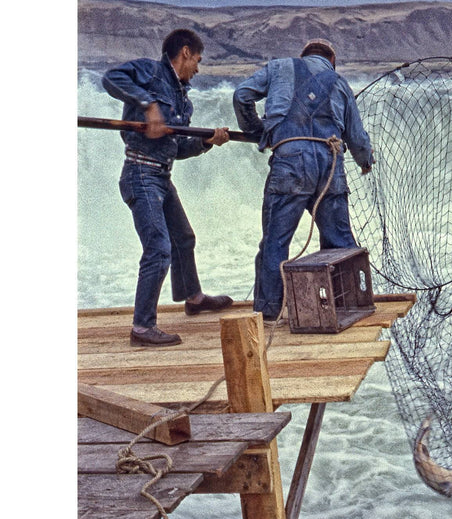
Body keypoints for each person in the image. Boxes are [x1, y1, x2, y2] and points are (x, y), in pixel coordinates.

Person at [102, 28, 234, 347]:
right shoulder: (149, 71)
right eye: (198, 60)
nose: (198, 69)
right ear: (185, 52)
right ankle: (142, 327)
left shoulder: (182, 99)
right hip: (140, 173)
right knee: (159, 250)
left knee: (183, 238)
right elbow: (110, 78)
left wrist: (206, 142)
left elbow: (177, 148)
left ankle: (194, 298)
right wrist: (148, 104)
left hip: (161, 176)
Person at [233, 38, 373, 321]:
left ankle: (270, 313)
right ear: (331, 61)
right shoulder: (339, 82)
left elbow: (241, 96)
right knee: (340, 242)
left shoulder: (279, 68)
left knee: (276, 241)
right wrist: (365, 162)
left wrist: (257, 130)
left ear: (303, 56)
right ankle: (347, 306)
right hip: (330, 164)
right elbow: (357, 138)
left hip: (290, 163)